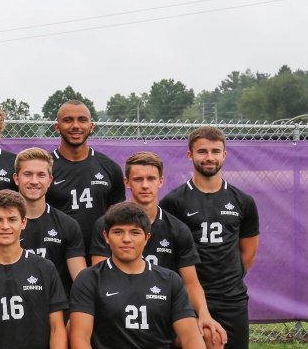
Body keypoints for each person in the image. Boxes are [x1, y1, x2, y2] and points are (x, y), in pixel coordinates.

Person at [89, 153, 226, 347]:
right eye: (138, 179)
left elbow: (191, 282)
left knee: (211, 336)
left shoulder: (178, 229)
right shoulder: (106, 224)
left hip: (161, 311)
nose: (145, 185)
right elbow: (101, 277)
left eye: (151, 179)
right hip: (117, 310)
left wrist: (204, 314)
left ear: (161, 181)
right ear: (127, 182)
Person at [161, 126, 260, 349]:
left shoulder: (243, 201)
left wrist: (229, 279)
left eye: (215, 151)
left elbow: (249, 252)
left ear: (224, 155)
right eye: (202, 151)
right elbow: (167, 252)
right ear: (190, 155)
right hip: (188, 298)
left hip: (231, 299)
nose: (209, 158)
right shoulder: (173, 202)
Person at [69, 202, 207, 349]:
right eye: (118, 232)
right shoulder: (89, 279)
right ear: (106, 237)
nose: (126, 239)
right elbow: (80, 338)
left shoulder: (170, 280)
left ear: (147, 238)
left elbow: (191, 338)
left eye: (135, 232)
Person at [0, 190, 67, 349]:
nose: (5, 226)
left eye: (12, 219)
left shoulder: (45, 268)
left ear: (23, 222)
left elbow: (57, 328)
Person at [45, 100, 125, 245]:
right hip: (56, 252)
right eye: (68, 120)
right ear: (57, 127)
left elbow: (117, 218)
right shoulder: (43, 168)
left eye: (82, 120)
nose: (75, 126)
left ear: (91, 126)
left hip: (99, 252)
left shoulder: (110, 167)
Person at [14, 147, 87, 294]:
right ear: (16, 178)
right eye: (27, 174)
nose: (34, 181)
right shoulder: (2, 225)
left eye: (41, 175)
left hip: (56, 311)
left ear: (50, 180)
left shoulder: (67, 225)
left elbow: (81, 283)